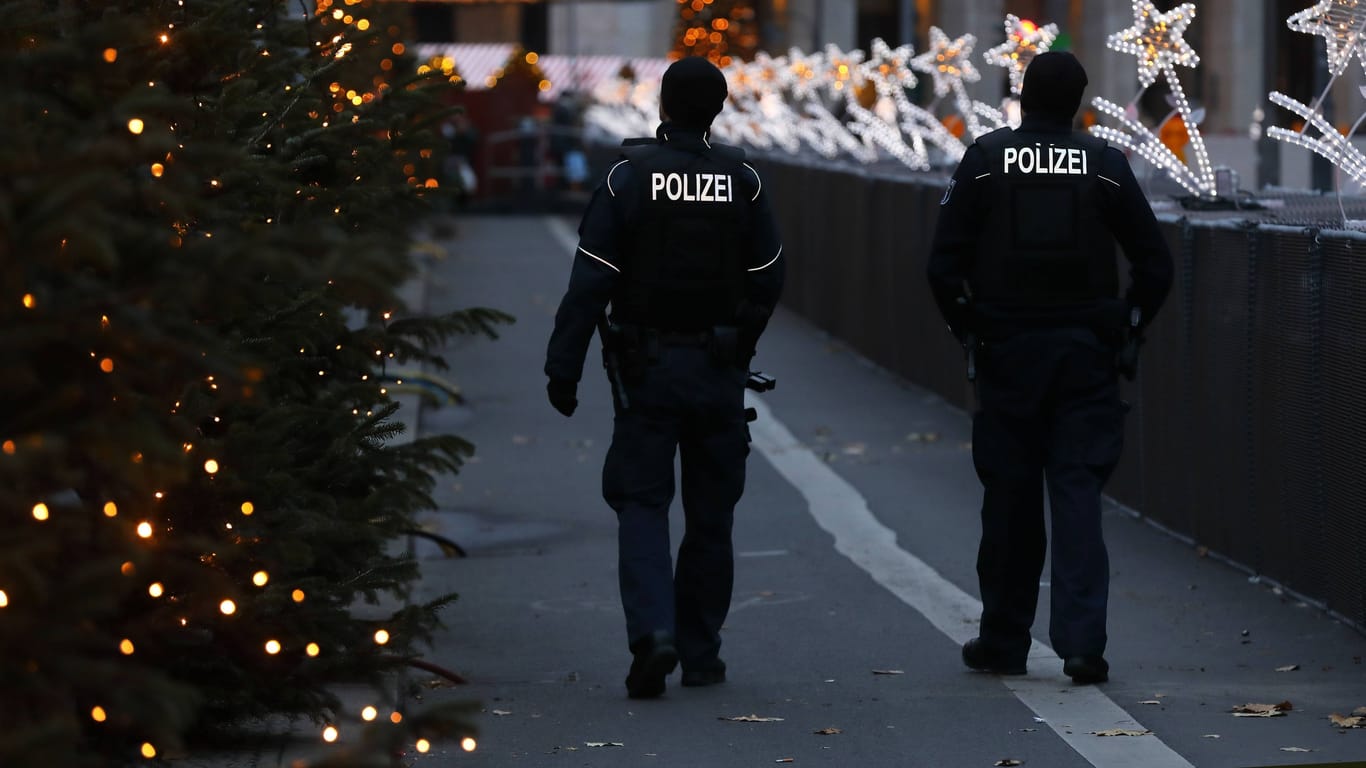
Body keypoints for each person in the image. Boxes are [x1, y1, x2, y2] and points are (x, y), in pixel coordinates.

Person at [926, 51, 1173, 685]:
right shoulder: (1106, 164)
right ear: (1079, 104)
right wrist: (1130, 328)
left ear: (1021, 97)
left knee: (1008, 499)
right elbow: (1155, 263)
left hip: (1007, 352)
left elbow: (942, 266)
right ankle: (1084, 643)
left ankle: (1005, 640)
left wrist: (968, 331)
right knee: (1077, 492)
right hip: (1086, 354)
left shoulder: (985, 161)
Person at [544, 56, 784, 699]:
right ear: (719, 109)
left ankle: (653, 635)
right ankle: (702, 652)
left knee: (643, 504)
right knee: (712, 514)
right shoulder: (744, 179)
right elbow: (769, 275)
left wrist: (562, 368)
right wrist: (740, 342)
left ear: (663, 106)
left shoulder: (629, 178)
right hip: (718, 371)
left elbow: (591, 280)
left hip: (645, 369)